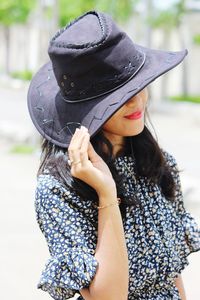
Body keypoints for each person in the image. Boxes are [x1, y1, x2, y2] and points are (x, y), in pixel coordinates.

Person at [27, 10, 200, 300]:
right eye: (116, 96)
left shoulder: (158, 165)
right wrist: (107, 195)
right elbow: (109, 297)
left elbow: (171, 275)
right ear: (87, 108)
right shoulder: (58, 191)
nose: (136, 100)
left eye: (137, 85)